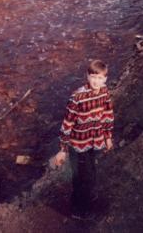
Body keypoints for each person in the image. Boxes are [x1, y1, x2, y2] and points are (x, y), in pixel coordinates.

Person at [53, 59, 114, 219]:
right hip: (78, 144)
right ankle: (78, 210)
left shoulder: (104, 92)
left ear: (105, 79)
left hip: (95, 140)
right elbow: (67, 124)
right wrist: (62, 150)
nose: (96, 81)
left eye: (100, 78)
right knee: (80, 177)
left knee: (91, 171)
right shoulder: (77, 97)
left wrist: (107, 137)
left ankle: (88, 197)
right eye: (93, 77)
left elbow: (107, 115)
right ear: (87, 76)